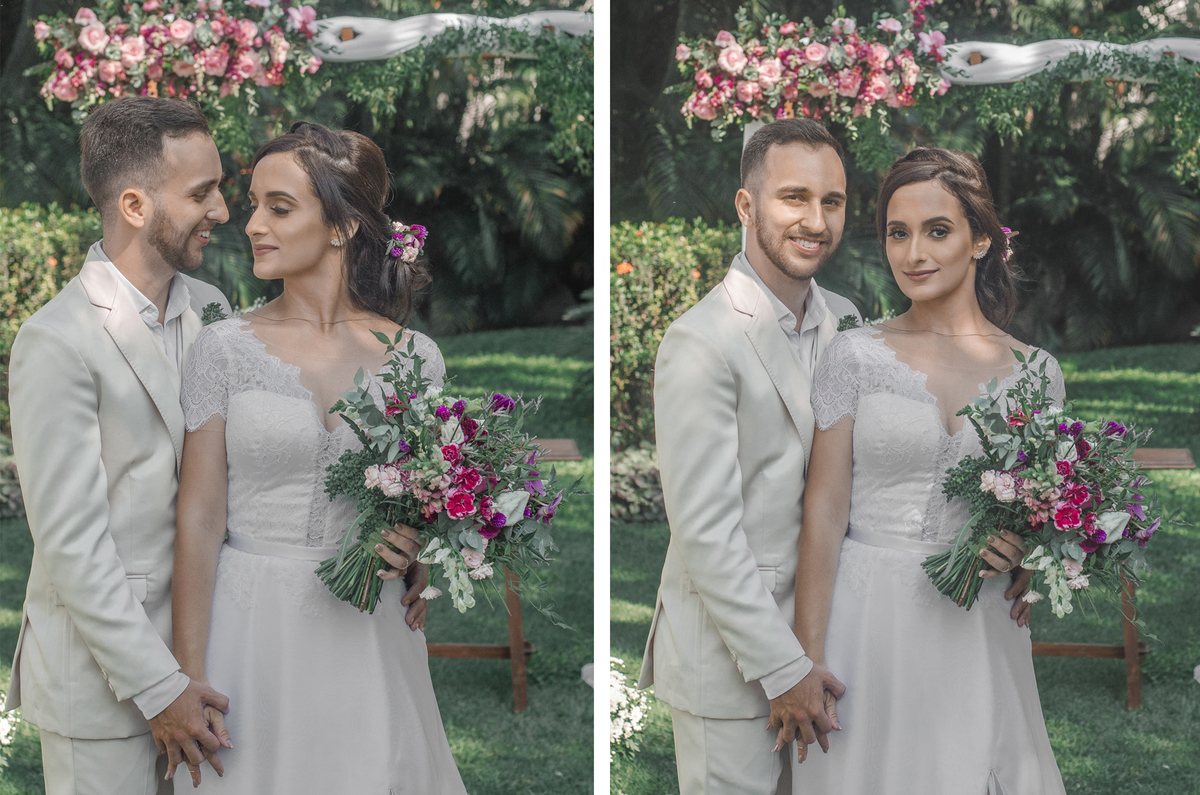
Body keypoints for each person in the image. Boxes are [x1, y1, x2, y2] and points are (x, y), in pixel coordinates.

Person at [171, 122, 466, 793]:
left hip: (370, 632)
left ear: (342, 227)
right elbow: (197, 519)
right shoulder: (222, 349)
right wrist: (187, 674)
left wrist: (414, 542)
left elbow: (422, 488)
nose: (251, 225)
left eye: (279, 207)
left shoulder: (417, 358)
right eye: (252, 204)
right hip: (250, 633)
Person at [790, 148, 1067, 794]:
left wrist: (1030, 546)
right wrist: (805, 659)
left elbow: (1045, 510)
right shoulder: (853, 355)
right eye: (897, 231)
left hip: (977, 623)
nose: (913, 251)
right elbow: (824, 514)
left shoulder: (1037, 373)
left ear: (979, 239)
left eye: (936, 230)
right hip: (865, 622)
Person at [4, 96, 235, 794]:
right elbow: (72, 545)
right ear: (135, 204)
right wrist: (157, 686)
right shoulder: (56, 340)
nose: (223, 210)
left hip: (215, 665)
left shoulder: (216, 311)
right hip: (103, 689)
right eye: (202, 193)